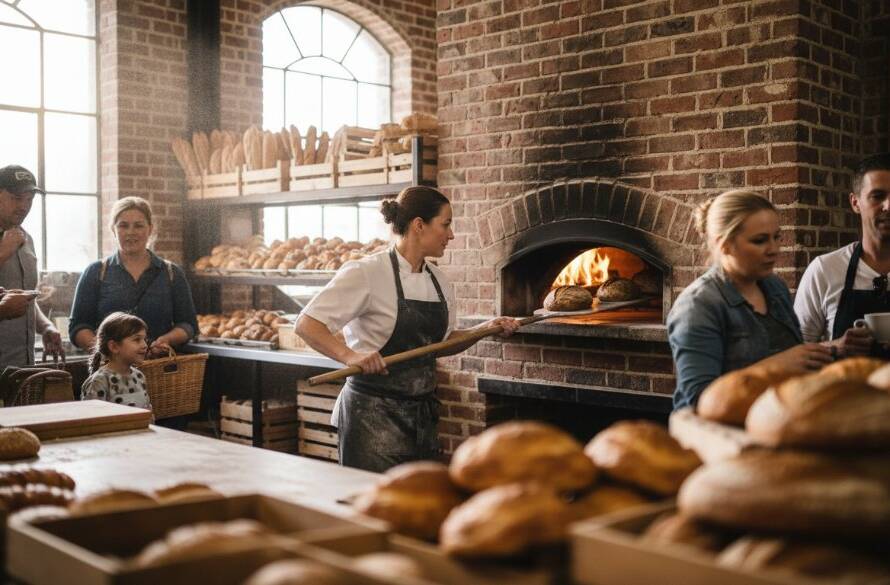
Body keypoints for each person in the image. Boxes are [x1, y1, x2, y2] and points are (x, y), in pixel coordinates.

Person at [295, 186, 520, 472]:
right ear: (418, 225)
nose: (451, 235)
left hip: (421, 420)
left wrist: (485, 329)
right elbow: (307, 324)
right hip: (371, 418)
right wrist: (350, 356)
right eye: (446, 224)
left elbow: (443, 342)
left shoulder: (438, 280)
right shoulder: (367, 272)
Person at [668, 190, 832, 410]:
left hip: (777, 420)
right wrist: (775, 367)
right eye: (760, 240)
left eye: (777, 237)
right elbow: (697, 401)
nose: (774, 250)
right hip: (723, 437)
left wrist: (833, 348)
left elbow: (794, 357)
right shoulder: (697, 306)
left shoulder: (775, 287)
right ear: (723, 244)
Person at [69, 196, 198, 358]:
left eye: (138, 225)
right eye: (123, 225)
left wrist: (166, 340)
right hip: (110, 371)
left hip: (158, 367)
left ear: (150, 229)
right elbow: (78, 326)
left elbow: (188, 324)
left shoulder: (172, 273)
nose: (131, 232)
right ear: (113, 229)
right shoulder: (95, 272)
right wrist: (106, 352)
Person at [794, 153, 890, 357]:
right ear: (855, 203)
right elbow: (793, 353)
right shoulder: (825, 269)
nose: (888, 206)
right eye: (877, 196)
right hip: (846, 388)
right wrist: (836, 346)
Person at [0, 165, 64, 370]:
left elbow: (24, 298)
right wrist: (2, 253)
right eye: (17, 198)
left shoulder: (27, 239)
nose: (24, 206)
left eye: (29, 200)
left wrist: (45, 327)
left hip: (23, 364)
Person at [82, 312, 152, 410]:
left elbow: (147, 413)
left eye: (145, 339)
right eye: (137, 339)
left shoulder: (139, 376)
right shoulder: (99, 382)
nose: (145, 345)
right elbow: (93, 420)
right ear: (114, 347)